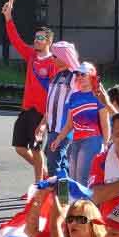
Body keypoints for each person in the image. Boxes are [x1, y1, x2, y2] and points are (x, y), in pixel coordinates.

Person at [3, 0, 56, 182]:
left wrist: (45, 120)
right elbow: (16, 40)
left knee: (36, 148)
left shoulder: (54, 63)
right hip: (26, 110)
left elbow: (54, 95)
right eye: (35, 38)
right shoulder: (31, 55)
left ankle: (38, 184)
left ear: (49, 41)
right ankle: (44, 174)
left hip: (41, 112)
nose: (36, 40)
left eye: (41, 38)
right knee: (19, 147)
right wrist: (8, 17)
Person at [50, 62, 109, 184]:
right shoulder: (74, 96)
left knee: (83, 179)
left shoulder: (98, 95)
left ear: (92, 76)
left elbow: (105, 122)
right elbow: (69, 124)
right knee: (73, 179)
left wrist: (106, 144)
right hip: (76, 140)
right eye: (77, 74)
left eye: (83, 74)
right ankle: (76, 203)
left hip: (92, 140)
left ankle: (84, 203)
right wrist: (58, 139)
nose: (79, 77)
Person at [42, 41, 81, 177]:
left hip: (63, 128)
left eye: (55, 56)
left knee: (54, 166)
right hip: (53, 127)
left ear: (64, 57)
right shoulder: (58, 74)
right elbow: (51, 101)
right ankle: (65, 195)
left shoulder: (75, 76)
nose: (52, 58)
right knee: (57, 161)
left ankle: (59, 196)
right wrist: (42, 123)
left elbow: (77, 102)